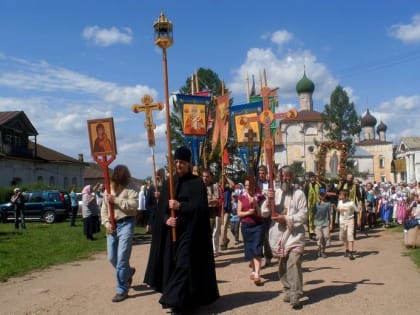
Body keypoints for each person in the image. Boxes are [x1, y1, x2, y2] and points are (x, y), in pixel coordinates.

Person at [148, 146, 218, 315]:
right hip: (171, 233)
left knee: (184, 264)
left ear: (188, 164)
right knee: (173, 266)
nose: (178, 165)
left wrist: (181, 206)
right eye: (177, 161)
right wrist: (166, 219)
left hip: (190, 232)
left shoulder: (196, 183)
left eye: (182, 162)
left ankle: (172, 298)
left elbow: (201, 208)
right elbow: (161, 210)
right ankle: (182, 302)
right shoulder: (168, 183)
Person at [262, 166, 307, 310]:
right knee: (282, 265)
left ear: (292, 177)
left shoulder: (299, 194)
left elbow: (303, 215)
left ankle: (295, 293)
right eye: (283, 176)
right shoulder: (274, 193)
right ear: (279, 177)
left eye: (289, 176)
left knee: (294, 262)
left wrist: (286, 218)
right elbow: (264, 213)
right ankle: (287, 288)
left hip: (294, 235)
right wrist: (269, 202)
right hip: (279, 236)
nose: (286, 178)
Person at [101, 165, 138, 303]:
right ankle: (128, 273)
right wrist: (106, 223)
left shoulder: (131, 187)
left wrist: (115, 200)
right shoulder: (109, 187)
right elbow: (104, 210)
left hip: (127, 223)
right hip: (112, 226)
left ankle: (122, 289)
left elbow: (134, 205)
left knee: (122, 258)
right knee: (112, 257)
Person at [238, 177, 266, 286]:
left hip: (258, 226)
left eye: (250, 185)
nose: (248, 187)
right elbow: (239, 213)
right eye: (246, 185)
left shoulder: (259, 197)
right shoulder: (241, 197)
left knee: (257, 248)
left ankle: (257, 274)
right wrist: (248, 212)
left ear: (254, 186)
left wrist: (256, 204)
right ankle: (254, 271)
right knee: (250, 248)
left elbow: (261, 214)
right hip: (246, 226)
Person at [256, 165, 273, 268]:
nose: (261, 175)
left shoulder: (270, 184)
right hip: (257, 214)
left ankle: (268, 257)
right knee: (258, 237)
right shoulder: (255, 184)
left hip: (267, 214)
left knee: (267, 236)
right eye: (259, 173)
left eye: (263, 173)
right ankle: (258, 258)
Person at [202, 169, 221, 256]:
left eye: (207, 176)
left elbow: (216, 200)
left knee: (209, 233)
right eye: (203, 176)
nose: (205, 178)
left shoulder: (214, 186)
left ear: (211, 177)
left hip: (211, 212)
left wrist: (205, 201)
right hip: (200, 212)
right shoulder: (198, 186)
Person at [337, 189, 357, 260]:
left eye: (341, 195)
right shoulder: (339, 202)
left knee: (350, 235)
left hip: (350, 221)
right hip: (342, 222)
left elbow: (356, 211)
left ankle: (351, 253)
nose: (339, 196)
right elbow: (339, 210)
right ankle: (347, 249)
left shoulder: (351, 203)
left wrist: (358, 220)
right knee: (343, 237)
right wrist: (335, 208)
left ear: (345, 196)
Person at [313, 188, 333, 258]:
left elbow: (331, 214)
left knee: (326, 237)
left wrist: (331, 224)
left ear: (325, 195)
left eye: (323, 194)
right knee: (319, 237)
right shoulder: (315, 203)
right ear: (319, 195)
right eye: (320, 194)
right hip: (317, 223)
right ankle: (319, 249)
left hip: (325, 223)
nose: (322, 196)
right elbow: (312, 213)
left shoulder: (328, 203)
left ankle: (323, 251)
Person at [304, 172, 324, 239]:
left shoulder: (319, 185)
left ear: (315, 178)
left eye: (313, 177)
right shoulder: (307, 186)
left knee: (318, 219)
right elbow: (305, 196)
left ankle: (317, 232)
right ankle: (311, 233)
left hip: (318, 205)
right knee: (310, 219)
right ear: (309, 178)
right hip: (310, 205)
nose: (312, 178)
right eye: (311, 177)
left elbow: (323, 193)